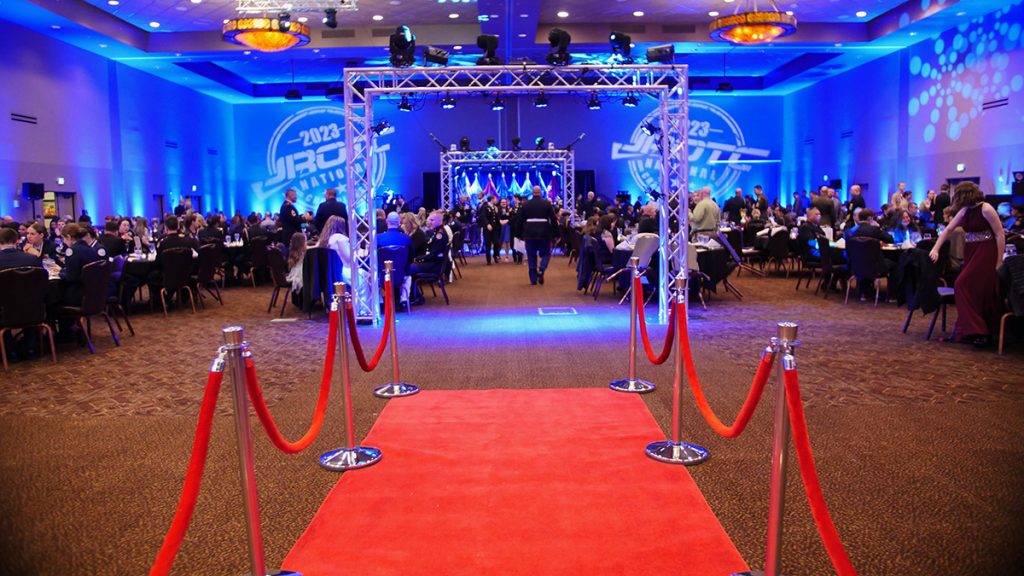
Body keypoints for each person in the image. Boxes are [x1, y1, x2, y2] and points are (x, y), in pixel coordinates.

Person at [929, 181, 1005, 346]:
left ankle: (977, 329)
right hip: (971, 250)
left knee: (962, 284)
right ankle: (977, 330)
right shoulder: (965, 211)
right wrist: (935, 248)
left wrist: (999, 260)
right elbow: (948, 230)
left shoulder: (986, 208)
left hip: (986, 250)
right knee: (974, 288)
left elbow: (999, 234)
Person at [515, 185, 559, 285]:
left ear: (532, 192)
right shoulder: (547, 204)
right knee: (546, 253)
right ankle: (542, 269)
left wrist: (518, 234)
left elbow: (519, 220)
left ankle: (533, 279)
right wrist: (557, 234)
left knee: (531, 255)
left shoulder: (525, 205)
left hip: (529, 233)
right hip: (544, 233)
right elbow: (553, 219)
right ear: (541, 192)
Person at [408, 211, 450, 304]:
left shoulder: (440, 235)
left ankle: (416, 298)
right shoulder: (437, 232)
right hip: (433, 263)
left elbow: (432, 255)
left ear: (439, 221)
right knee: (410, 269)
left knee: (408, 269)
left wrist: (417, 259)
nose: (429, 221)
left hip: (435, 265)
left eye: (432, 220)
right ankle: (413, 296)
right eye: (429, 219)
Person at [59, 223, 102, 306]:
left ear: (68, 237)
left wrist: (60, 273)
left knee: (53, 298)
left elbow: (72, 277)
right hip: (94, 293)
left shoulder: (71, 251)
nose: (64, 242)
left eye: (63, 238)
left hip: (78, 294)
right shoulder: (90, 249)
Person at [477, 195, 501, 265]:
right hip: (487, 229)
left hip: (495, 228)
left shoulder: (495, 207)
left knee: (496, 242)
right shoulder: (485, 207)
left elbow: (497, 218)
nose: (496, 200)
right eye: (495, 199)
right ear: (492, 199)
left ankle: (495, 255)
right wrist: (487, 224)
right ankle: (488, 260)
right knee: (488, 244)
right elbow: (483, 216)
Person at [285, 232, 307, 301]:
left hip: (294, 274)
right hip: (300, 275)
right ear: (302, 243)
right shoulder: (303, 253)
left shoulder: (293, 252)